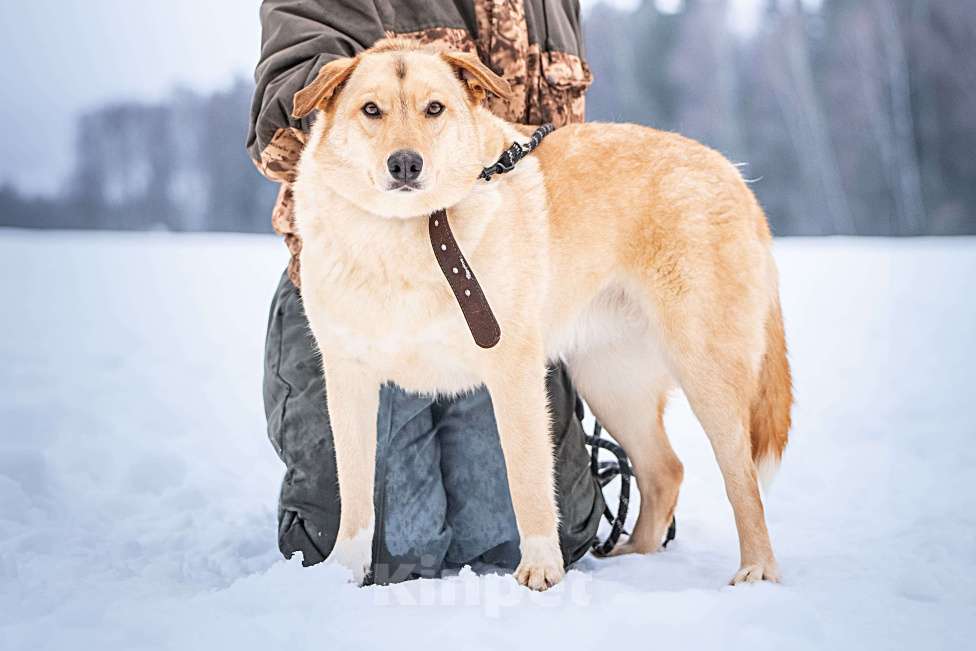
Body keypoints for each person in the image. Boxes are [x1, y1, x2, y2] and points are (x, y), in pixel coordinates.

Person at [246, 0, 603, 583]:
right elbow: (290, 89)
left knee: (526, 535)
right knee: (391, 549)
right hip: (358, 284)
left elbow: (554, 149)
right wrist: (363, 98)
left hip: (485, 288)